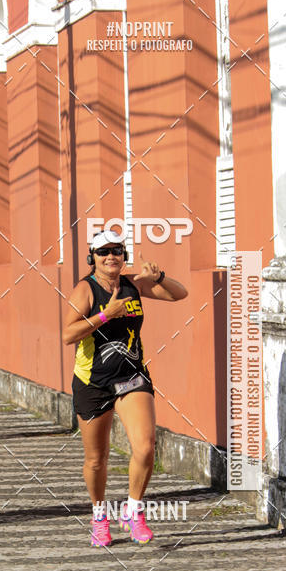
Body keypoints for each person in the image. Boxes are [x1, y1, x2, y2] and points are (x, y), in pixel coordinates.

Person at [62, 230, 188, 548]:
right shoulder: (85, 289)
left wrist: (160, 276)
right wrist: (106, 314)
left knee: (145, 446)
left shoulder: (133, 285)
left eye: (117, 250)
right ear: (93, 257)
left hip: (131, 377)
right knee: (96, 459)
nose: (111, 257)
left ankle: (132, 510)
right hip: (93, 381)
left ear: (124, 255)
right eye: (104, 252)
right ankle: (99, 515)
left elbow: (179, 294)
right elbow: (68, 334)